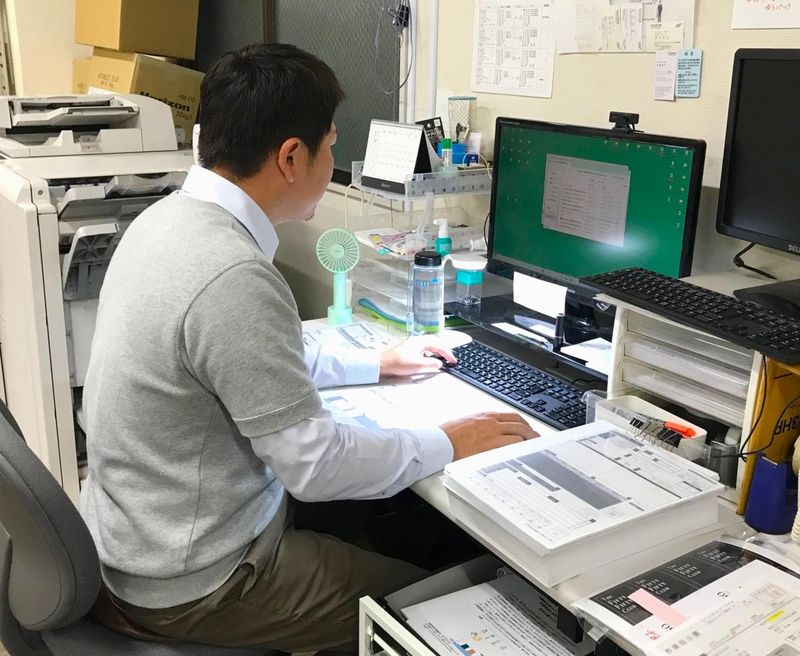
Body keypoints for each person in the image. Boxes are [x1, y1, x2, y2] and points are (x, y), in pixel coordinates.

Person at [79, 42, 537, 652]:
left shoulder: (166, 222)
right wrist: (451, 441)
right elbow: (315, 465)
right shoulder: (231, 274)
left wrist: (376, 362)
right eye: (330, 147)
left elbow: (253, 360)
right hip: (199, 579)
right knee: (429, 605)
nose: (331, 161)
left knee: (405, 523)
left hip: (142, 535)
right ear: (292, 157)